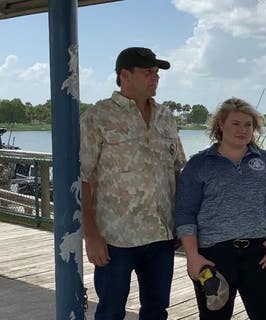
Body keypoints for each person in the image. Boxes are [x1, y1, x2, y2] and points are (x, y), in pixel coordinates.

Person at [80, 47, 186, 319]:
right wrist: (90, 234)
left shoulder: (165, 116)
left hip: (162, 235)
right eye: (148, 72)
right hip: (116, 238)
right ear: (124, 75)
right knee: (111, 311)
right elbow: (83, 178)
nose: (155, 78)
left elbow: (178, 171)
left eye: (157, 73)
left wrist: (184, 226)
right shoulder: (98, 116)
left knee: (156, 310)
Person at [175, 97, 266, 320]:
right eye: (235, 124)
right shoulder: (199, 164)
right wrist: (192, 256)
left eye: (248, 125)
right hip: (214, 256)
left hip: (259, 253)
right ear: (220, 126)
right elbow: (185, 212)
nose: (243, 130)